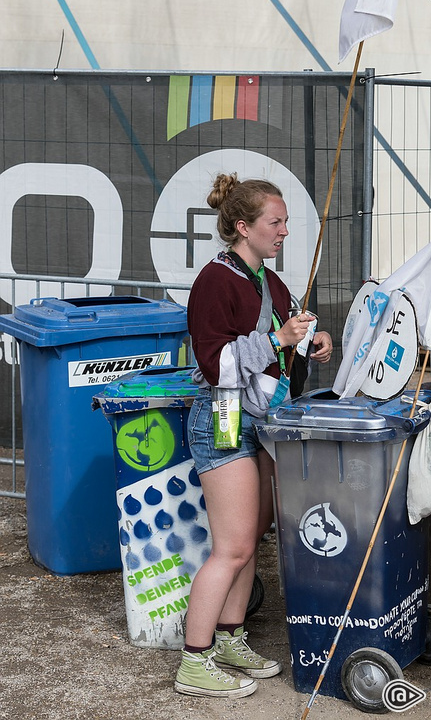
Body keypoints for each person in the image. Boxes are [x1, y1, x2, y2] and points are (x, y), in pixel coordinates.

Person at [174, 173, 333, 698]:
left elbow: (285, 339)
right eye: (276, 222)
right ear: (243, 227)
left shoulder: (268, 278)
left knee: (251, 540)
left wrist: (311, 341)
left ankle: (230, 636)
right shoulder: (214, 282)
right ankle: (194, 661)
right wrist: (277, 338)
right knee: (234, 547)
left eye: (285, 221)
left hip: (259, 422)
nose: (285, 230)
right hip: (221, 419)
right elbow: (217, 363)